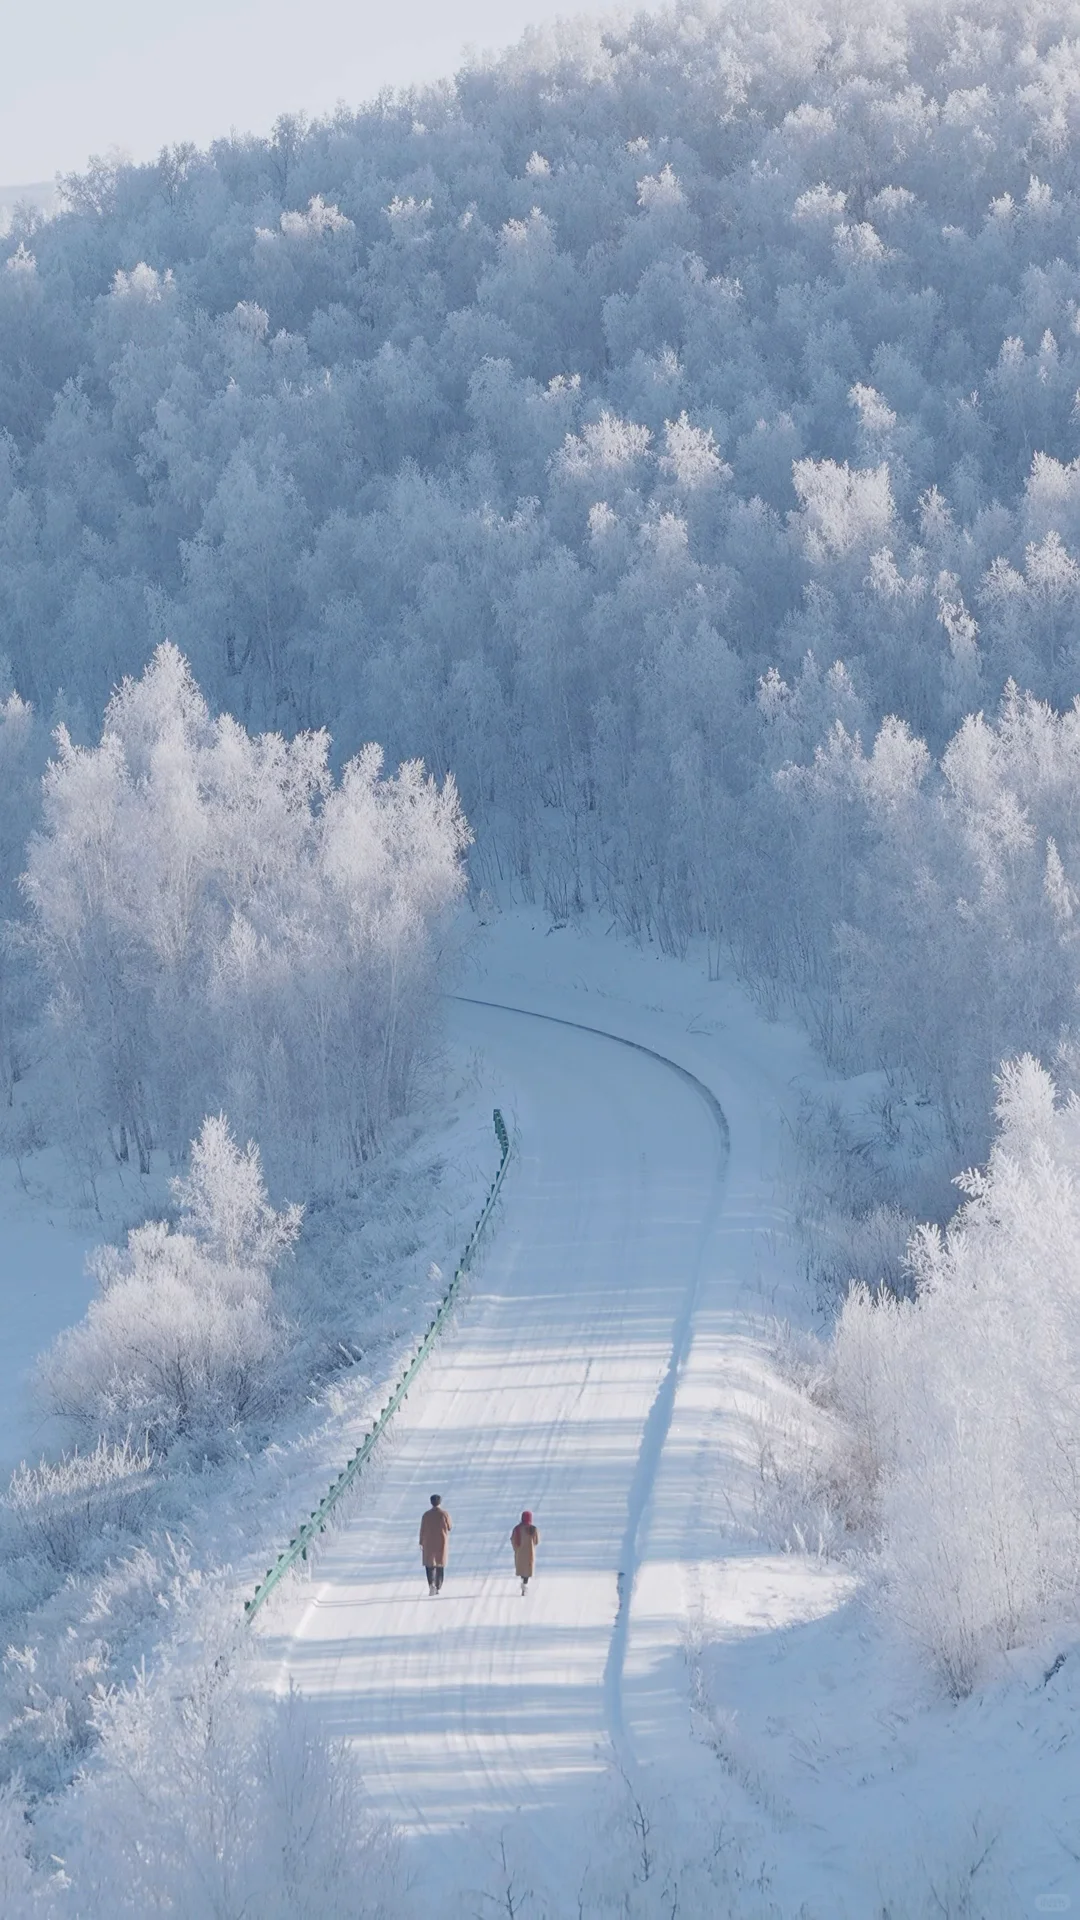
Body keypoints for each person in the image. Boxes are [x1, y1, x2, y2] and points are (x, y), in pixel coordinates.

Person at [419, 1493, 452, 1594]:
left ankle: (431, 1584)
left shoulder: (426, 1515)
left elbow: (422, 1529)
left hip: (428, 1542)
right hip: (441, 1541)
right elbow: (449, 1527)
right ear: (440, 1502)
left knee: (429, 1564)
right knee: (440, 1564)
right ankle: (438, 1585)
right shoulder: (444, 1514)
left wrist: (421, 1541)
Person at [511, 1509, 539, 1594]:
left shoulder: (517, 1529)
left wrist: (516, 1548)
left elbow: (513, 1540)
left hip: (520, 1552)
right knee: (527, 1569)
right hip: (529, 1553)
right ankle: (524, 1584)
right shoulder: (533, 1529)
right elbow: (536, 1541)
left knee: (522, 1569)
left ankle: (523, 1583)